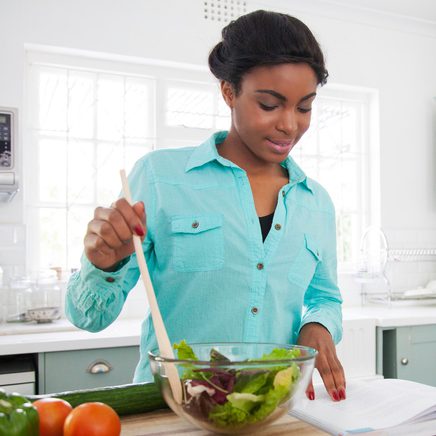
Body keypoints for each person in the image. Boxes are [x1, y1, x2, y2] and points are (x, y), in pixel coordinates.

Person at [66, 9, 346, 402]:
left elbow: (326, 297)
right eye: (269, 104)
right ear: (229, 92)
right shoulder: (160, 179)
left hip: (268, 410)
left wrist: (317, 325)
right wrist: (102, 263)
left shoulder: (315, 203)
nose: (289, 125)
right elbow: (89, 318)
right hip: (170, 411)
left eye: (304, 107)